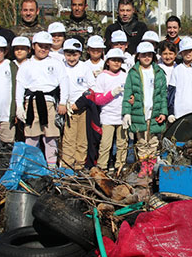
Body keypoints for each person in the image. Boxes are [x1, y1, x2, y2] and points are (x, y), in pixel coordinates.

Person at [15, 32, 69, 166]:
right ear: (34, 46)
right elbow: (20, 86)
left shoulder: (56, 63)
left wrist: (63, 102)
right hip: (31, 102)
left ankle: (51, 167)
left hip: (49, 102)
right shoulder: (26, 65)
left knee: (50, 138)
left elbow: (64, 83)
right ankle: (31, 166)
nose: (43, 49)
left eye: (46, 46)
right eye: (40, 46)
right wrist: (19, 106)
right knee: (31, 137)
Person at [122, 41, 167, 163]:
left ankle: (150, 168)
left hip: (154, 112)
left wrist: (163, 112)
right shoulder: (133, 73)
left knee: (153, 142)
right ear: (138, 56)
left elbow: (163, 94)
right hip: (139, 113)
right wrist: (126, 112)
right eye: (143, 55)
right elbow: (128, 93)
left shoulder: (158, 72)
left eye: (149, 55)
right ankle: (143, 167)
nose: (146, 57)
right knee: (141, 142)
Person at [61, 38, 95, 170]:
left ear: (80, 54)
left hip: (82, 108)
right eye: (68, 54)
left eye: (74, 54)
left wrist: (80, 103)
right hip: (67, 108)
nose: (71, 58)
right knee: (69, 139)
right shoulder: (61, 66)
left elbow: (92, 87)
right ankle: (67, 166)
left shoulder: (84, 68)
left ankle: (79, 166)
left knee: (82, 139)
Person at [93, 48, 128, 173]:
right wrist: (112, 94)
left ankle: (120, 167)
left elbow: (131, 95)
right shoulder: (102, 77)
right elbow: (98, 99)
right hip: (108, 116)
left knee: (122, 144)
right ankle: (102, 167)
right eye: (114, 60)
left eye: (119, 60)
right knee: (105, 144)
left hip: (122, 116)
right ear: (107, 62)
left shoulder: (125, 76)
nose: (116, 63)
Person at [166, 37, 192, 121]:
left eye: (190, 50)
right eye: (185, 51)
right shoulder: (177, 70)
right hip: (179, 113)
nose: (188, 53)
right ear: (181, 53)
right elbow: (171, 92)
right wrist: (171, 112)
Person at [10, 36, 32, 142]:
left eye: (22, 48)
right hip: (12, 105)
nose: (19, 51)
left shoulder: (33, 64)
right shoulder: (10, 65)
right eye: (16, 48)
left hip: (29, 103)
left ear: (29, 50)